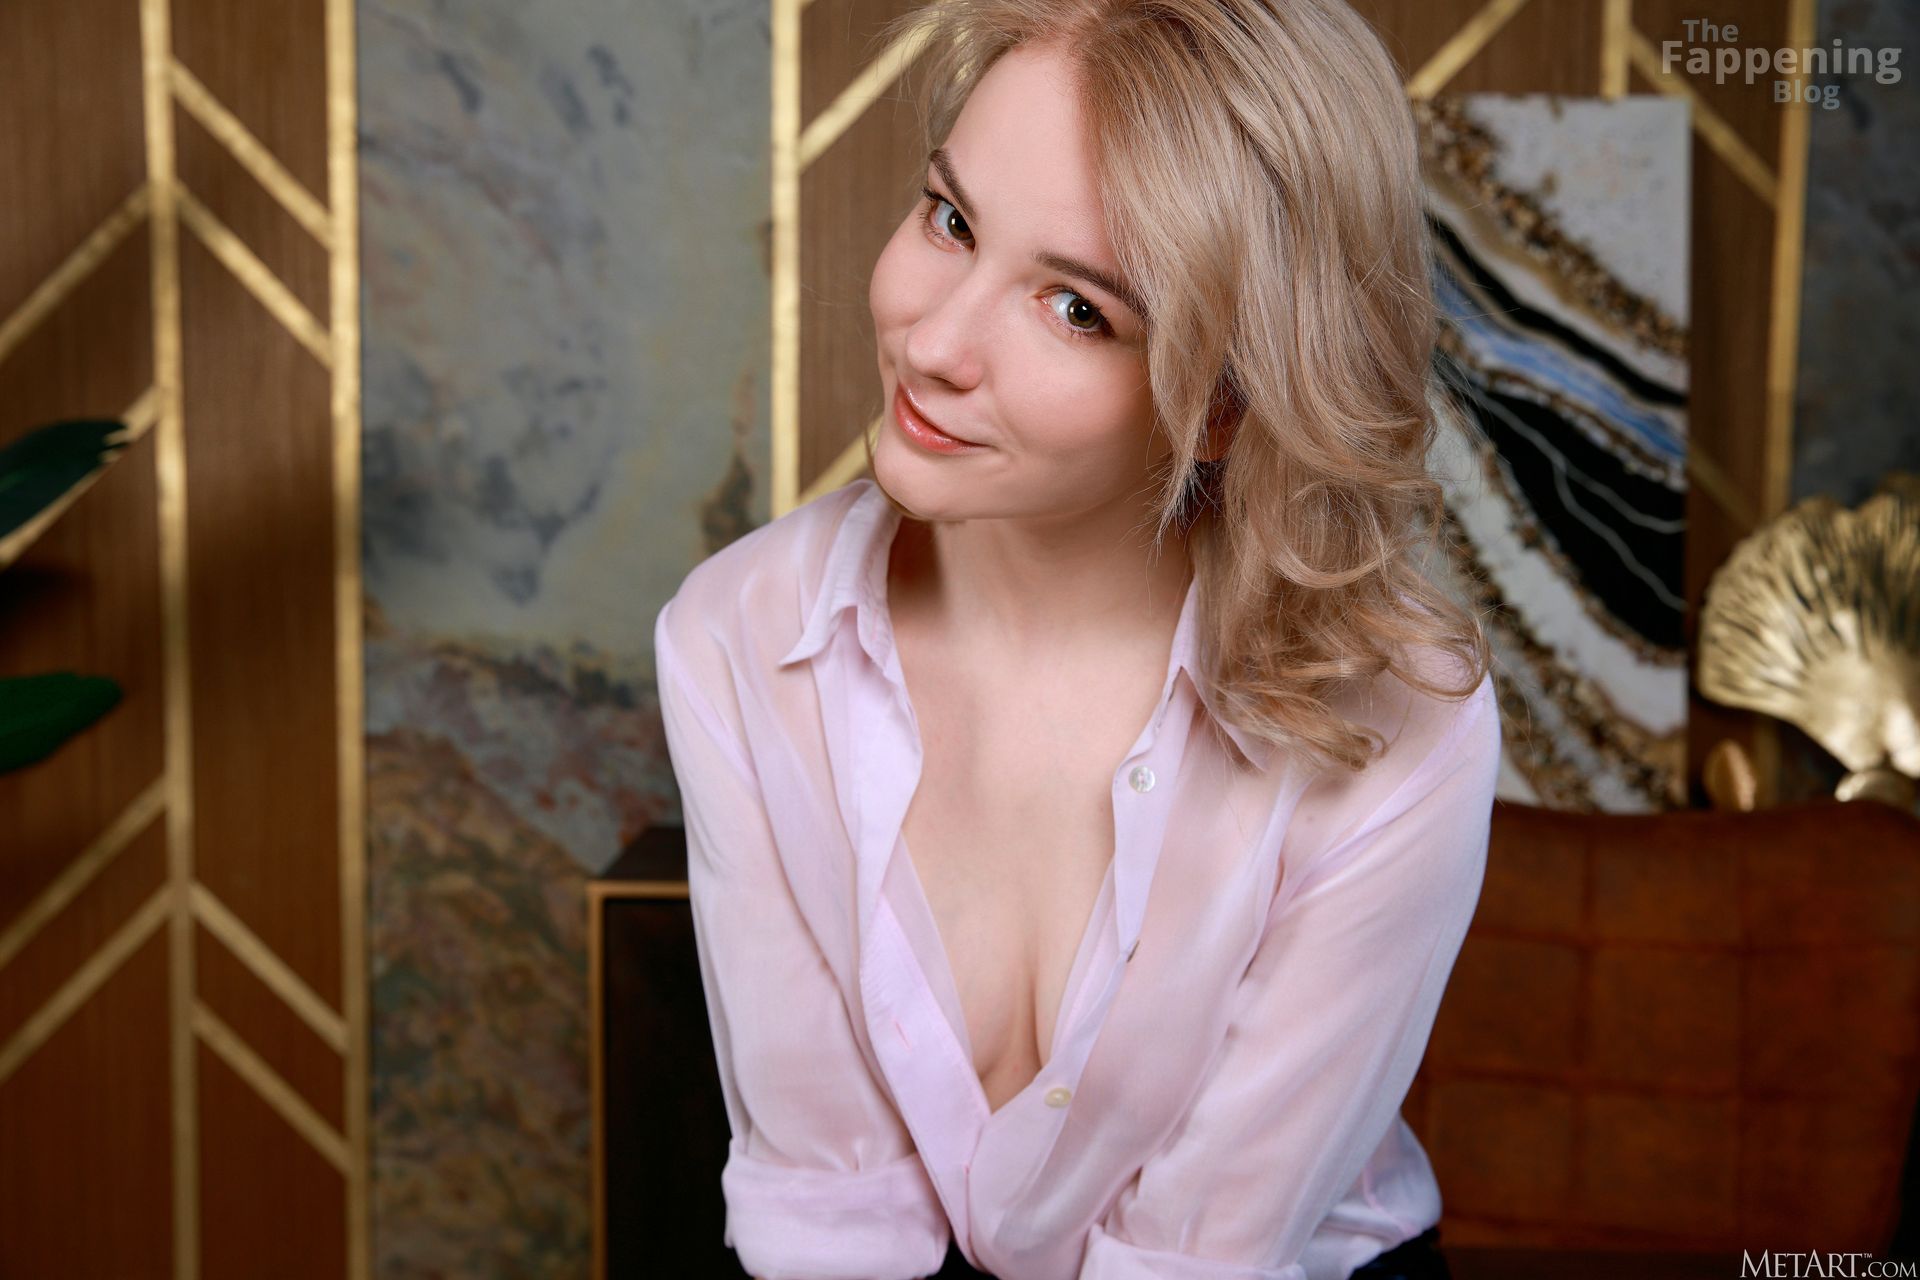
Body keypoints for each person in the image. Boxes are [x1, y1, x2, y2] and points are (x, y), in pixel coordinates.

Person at [652, 1, 1501, 1276]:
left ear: (1227, 403)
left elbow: (1197, 1257)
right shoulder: (739, 635)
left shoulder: (1401, 720)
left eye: (1074, 308)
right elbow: (829, 1215)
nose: (934, 343)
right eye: (951, 221)